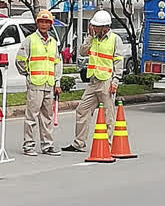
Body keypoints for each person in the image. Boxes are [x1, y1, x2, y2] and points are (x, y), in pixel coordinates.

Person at [64, 10, 124, 153]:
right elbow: (82, 52)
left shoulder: (115, 39)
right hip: (93, 81)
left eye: (96, 26)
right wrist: (90, 37)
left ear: (105, 27)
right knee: (82, 109)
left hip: (107, 81)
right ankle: (79, 143)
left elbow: (118, 61)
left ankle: (107, 146)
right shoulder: (93, 38)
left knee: (108, 115)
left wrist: (115, 81)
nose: (93, 28)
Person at [16, 9, 62, 156]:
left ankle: (47, 145)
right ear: (37, 23)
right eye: (41, 21)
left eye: (46, 22)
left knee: (47, 117)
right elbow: (20, 60)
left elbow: (57, 63)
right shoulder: (30, 40)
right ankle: (29, 145)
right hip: (35, 84)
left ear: (50, 24)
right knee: (31, 116)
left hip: (49, 84)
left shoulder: (53, 42)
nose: (44, 24)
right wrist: (28, 75)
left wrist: (57, 82)